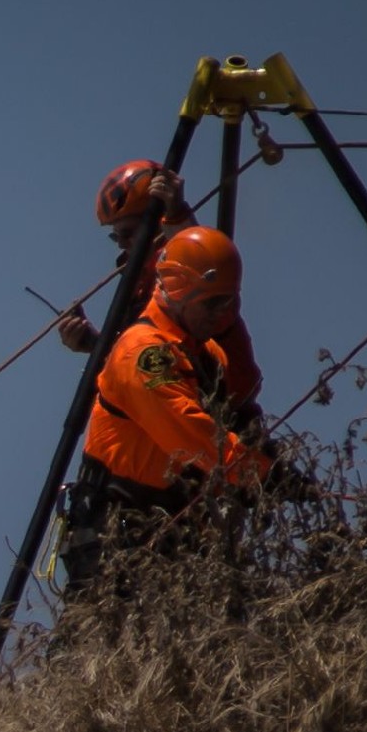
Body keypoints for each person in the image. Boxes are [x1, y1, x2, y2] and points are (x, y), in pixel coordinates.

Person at [64, 227, 275, 592]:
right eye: (213, 303)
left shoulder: (202, 353)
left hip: (173, 534)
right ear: (178, 289)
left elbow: (238, 406)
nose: (222, 313)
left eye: (230, 302)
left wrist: (270, 461)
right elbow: (192, 435)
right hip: (119, 538)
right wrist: (267, 476)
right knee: (110, 644)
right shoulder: (144, 354)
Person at [57, 160, 262, 414]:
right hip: (177, 414)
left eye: (128, 232)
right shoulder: (138, 286)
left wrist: (177, 213)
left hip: (222, 414)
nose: (122, 243)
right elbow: (148, 361)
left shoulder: (185, 273)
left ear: (158, 221)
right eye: (115, 236)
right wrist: (95, 344)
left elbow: (205, 279)